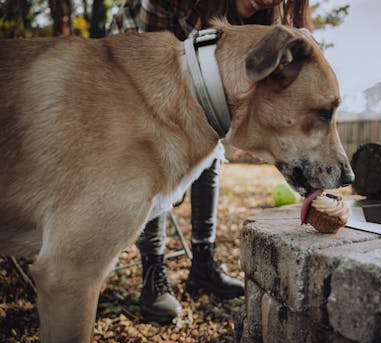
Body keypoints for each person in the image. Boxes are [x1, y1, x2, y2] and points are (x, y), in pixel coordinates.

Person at [108, 0, 312, 322]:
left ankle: (203, 265)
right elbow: (148, 69)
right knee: (154, 149)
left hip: (194, 68)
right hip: (132, 54)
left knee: (211, 144)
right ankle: (153, 275)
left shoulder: (263, 24)